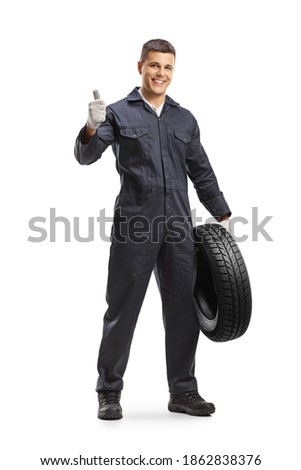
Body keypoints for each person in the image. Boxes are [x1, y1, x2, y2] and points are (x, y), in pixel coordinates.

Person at [74, 39, 231, 420]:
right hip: (135, 226)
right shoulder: (117, 113)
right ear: (141, 66)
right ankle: (109, 391)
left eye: (168, 68)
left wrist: (222, 214)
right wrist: (91, 128)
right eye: (154, 66)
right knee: (122, 309)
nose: (161, 73)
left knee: (184, 310)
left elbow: (201, 171)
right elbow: (86, 157)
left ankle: (183, 391)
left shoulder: (184, 119)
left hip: (179, 226)